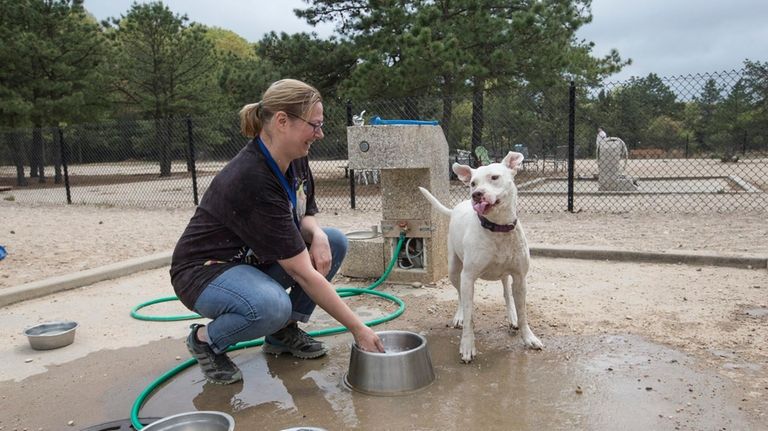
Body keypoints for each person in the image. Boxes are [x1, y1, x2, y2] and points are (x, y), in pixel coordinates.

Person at [170, 78, 385, 385]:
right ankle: (206, 340)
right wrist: (359, 329)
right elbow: (302, 273)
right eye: (314, 125)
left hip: (250, 262)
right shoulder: (253, 177)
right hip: (205, 273)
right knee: (270, 306)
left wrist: (318, 234)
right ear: (282, 121)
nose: (320, 133)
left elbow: (304, 212)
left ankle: (282, 334)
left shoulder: (294, 158)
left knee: (334, 240)